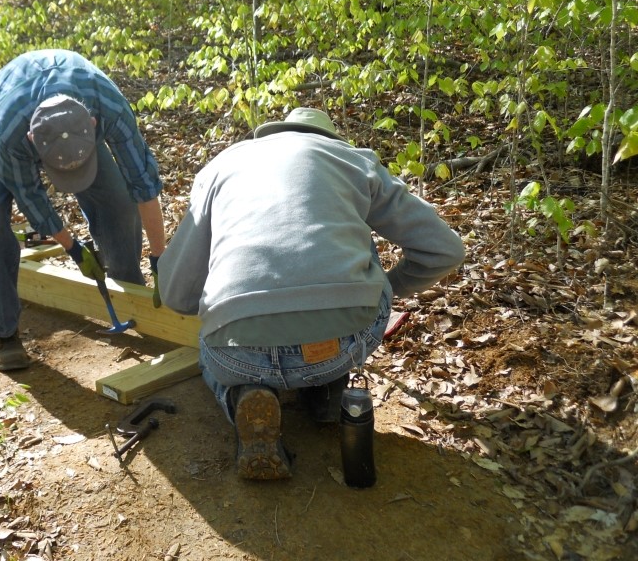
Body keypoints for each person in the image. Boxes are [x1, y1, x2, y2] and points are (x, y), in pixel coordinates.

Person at [157, 108, 465, 480]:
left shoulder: (222, 166)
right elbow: (446, 250)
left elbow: (174, 294)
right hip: (343, 340)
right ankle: (324, 388)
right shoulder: (353, 160)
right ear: (328, 138)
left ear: (271, 133)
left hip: (238, 354)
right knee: (355, 246)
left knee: (209, 344)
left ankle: (242, 398)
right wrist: (384, 290)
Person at [0, 49, 167, 372]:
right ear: (33, 140)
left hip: (70, 115)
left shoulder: (108, 105)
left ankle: (130, 294)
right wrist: (74, 248)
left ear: (92, 125)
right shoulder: (10, 135)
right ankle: (4, 331)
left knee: (118, 204)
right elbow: (32, 198)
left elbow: (143, 182)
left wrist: (159, 257)